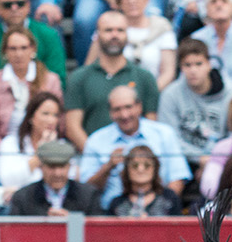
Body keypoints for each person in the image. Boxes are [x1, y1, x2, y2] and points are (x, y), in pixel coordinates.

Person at [78, 84, 190, 209]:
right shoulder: (96, 140)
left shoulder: (164, 134)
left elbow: (177, 179)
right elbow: (86, 190)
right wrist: (108, 166)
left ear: (139, 107)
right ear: (110, 112)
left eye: (128, 107)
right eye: (117, 109)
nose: (124, 115)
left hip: (158, 213)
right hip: (110, 214)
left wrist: (157, 209)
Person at [64, 10, 160, 148]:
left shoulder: (145, 77)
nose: (115, 35)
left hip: (137, 156)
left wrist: (134, 159)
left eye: (120, 30)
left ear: (127, 35)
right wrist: (98, 156)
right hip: (93, 156)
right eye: (108, 30)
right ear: (97, 35)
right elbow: (72, 127)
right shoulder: (79, 78)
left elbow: (151, 126)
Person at [81, 0, 176, 91]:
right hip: (110, 95)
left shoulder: (162, 27)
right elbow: (89, 67)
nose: (132, 1)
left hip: (152, 93)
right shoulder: (108, 27)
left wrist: (149, 95)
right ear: (119, 1)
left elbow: (168, 73)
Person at [0, 25, 63, 154]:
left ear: (33, 49)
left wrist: (42, 148)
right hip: (4, 149)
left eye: (24, 48)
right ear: (5, 52)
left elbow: (58, 121)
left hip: (42, 146)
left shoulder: (51, 80)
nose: (18, 54)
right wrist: (5, 151)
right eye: (13, 49)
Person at [158, 37, 232, 172]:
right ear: (181, 67)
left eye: (199, 64)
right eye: (187, 65)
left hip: (222, 162)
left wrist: (215, 160)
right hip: (182, 162)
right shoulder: (170, 95)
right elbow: (169, 138)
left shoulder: (230, 94)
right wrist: (199, 158)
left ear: (209, 64)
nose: (193, 70)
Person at [0, 91, 63, 212]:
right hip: (15, 204)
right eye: (46, 114)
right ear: (31, 117)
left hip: (49, 204)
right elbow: (8, 180)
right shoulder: (11, 143)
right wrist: (39, 156)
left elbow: (62, 182)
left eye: (55, 115)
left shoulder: (62, 146)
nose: (51, 120)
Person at [9, 138, 103, 215]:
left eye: (62, 167)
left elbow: (97, 230)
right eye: (51, 167)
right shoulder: (23, 197)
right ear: (41, 167)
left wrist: (71, 222)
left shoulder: (89, 195)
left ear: (69, 167)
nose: (57, 173)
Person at [104, 143, 183, 214]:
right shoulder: (117, 203)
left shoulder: (169, 198)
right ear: (127, 170)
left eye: (147, 165)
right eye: (135, 165)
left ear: (155, 169)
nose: (140, 170)